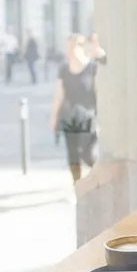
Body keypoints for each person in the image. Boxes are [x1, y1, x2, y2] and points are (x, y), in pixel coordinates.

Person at [50, 33, 106, 182]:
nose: (68, 52)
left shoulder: (92, 68)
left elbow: (107, 67)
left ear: (81, 48)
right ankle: (77, 185)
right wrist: (54, 117)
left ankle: (99, 180)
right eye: (67, 48)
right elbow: (59, 94)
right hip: (69, 117)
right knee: (73, 155)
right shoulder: (64, 70)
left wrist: (99, 52)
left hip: (88, 117)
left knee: (88, 154)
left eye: (71, 47)